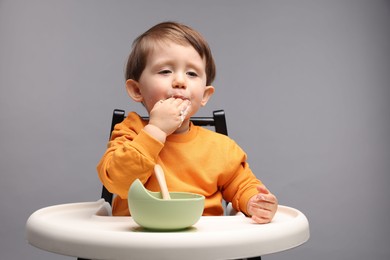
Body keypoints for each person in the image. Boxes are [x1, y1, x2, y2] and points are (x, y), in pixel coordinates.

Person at [97, 21, 278, 224]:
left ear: (205, 95)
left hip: (202, 245)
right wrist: (155, 130)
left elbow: (242, 184)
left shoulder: (220, 148)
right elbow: (117, 181)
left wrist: (254, 201)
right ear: (137, 90)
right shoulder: (131, 132)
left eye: (192, 73)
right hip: (139, 244)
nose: (180, 81)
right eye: (165, 71)